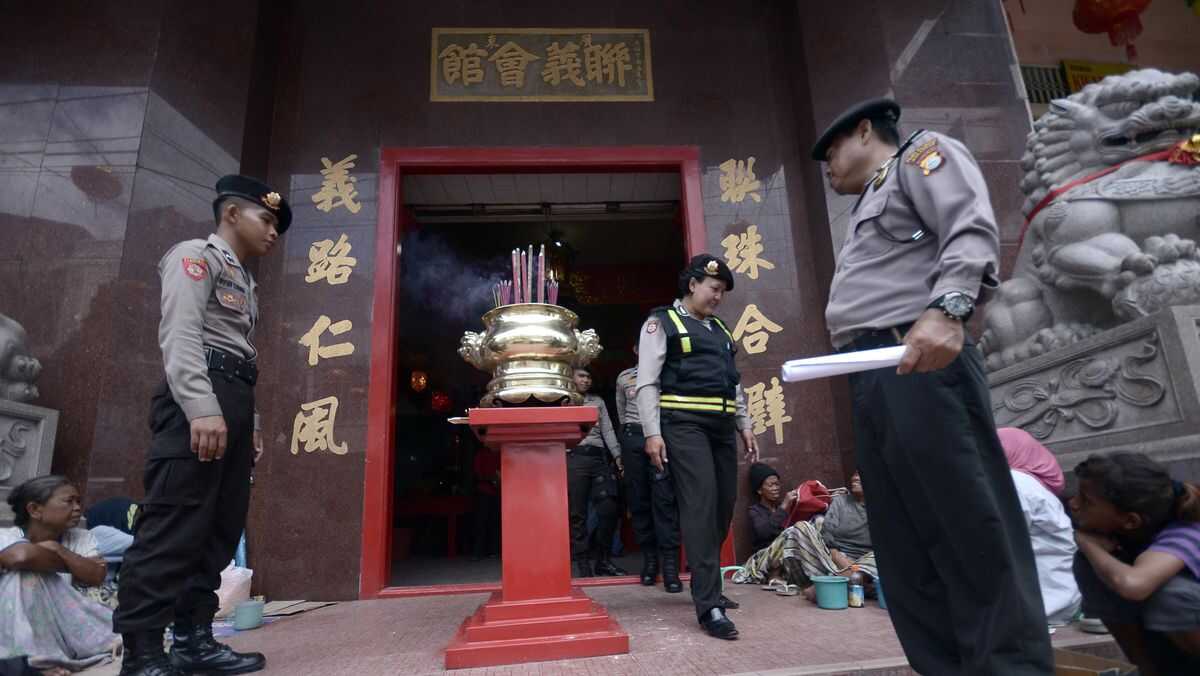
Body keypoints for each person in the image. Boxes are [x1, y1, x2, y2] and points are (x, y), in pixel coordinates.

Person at [813, 98, 1053, 673]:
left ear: (865, 130)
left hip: (920, 357)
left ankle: (1009, 667)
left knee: (968, 522)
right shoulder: (870, 199)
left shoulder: (922, 157)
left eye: (831, 151)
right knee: (902, 539)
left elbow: (968, 225)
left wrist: (950, 308)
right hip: (871, 372)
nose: (827, 167)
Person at [113, 175, 290, 676]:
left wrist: (250, 422)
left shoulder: (245, 279)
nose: (272, 232)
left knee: (218, 529)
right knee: (174, 526)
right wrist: (200, 406)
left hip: (232, 399)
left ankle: (194, 641)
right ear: (231, 213)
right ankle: (143, 654)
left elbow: (241, 355)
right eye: (266, 219)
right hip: (199, 397)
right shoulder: (194, 256)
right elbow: (182, 334)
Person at [635, 254, 758, 640]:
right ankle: (709, 606)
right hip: (684, 425)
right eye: (714, 289)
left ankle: (709, 586)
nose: (718, 297)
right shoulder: (662, 323)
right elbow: (647, 382)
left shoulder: (720, 329)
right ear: (692, 285)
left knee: (723, 506)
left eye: (722, 292)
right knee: (700, 506)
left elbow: (733, 382)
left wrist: (744, 424)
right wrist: (652, 432)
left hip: (721, 427)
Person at [1070, 452, 1200, 675]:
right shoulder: (1126, 536)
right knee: (1094, 565)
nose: (1073, 504)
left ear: (1131, 521)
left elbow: (1134, 585)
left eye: (1086, 501)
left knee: (1171, 594)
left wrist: (1086, 542)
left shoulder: (1187, 532)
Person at [1, 476, 119, 672]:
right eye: (69, 501)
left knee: (27, 572)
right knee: (23, 577)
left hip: (66, 627)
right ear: (35, 510)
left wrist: (57, 549)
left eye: (78, 501)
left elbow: (96, 575)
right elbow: (20, 556)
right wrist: (72, 564)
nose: (77, 508)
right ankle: (35, 660)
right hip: (13, 627)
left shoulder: (82, 537)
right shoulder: (5, 536)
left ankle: (38, 660)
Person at [615, 343, 682, 592]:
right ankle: (650, 563)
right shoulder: (624, 377)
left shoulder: (667, 373)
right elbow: (621, 411)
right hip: (633, 437)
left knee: (665, 501)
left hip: (662, 437)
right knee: (639, 500)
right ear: (635, 350)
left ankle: (670, 568)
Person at [999, 428, 1081, 626]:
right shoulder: (1030, 485)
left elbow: (1000, 540)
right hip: (1058, 598)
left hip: (1043, 605)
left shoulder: (1016, 483)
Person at [567, 367, 626, 578]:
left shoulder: (597, 401)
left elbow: (607, 430)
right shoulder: (562, 400)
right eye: (581, 376)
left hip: (599, 457)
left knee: (609, 508)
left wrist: (618, 456)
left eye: (588, 377)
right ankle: (583, 563)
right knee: (577, 514)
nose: (586, 380)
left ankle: (603, 560)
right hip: (575, 456)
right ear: (571, 378)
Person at [471, 444, 500, 561]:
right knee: (481, 522)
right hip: (483, 492)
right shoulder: (481, 454)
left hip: (496, 492)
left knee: (494, 522)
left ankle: (493, 551)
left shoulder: (498, 454)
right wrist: (490, 479)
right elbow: (477, 475)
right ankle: (478, 552)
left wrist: (497, 481)